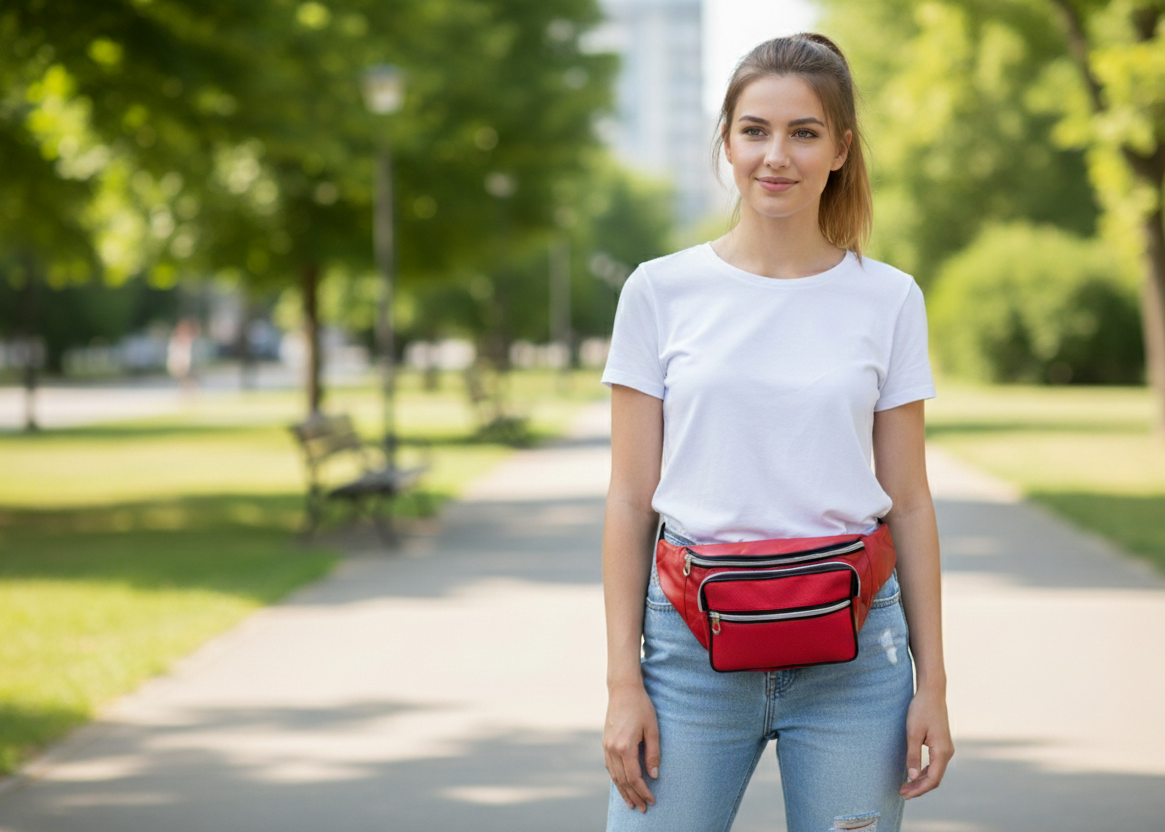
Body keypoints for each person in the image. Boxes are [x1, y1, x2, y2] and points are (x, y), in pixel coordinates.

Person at [599, 34, 953, 832]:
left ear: (839, 149)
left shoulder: (889, 299)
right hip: (689, 650)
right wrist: (624, 682)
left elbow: (910, 502)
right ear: (725, 140)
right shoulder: (658, 292)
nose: (776, 156)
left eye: (804, 133)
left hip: (856, 656)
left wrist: (932, 684)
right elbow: (628, 501)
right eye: (755, 130)